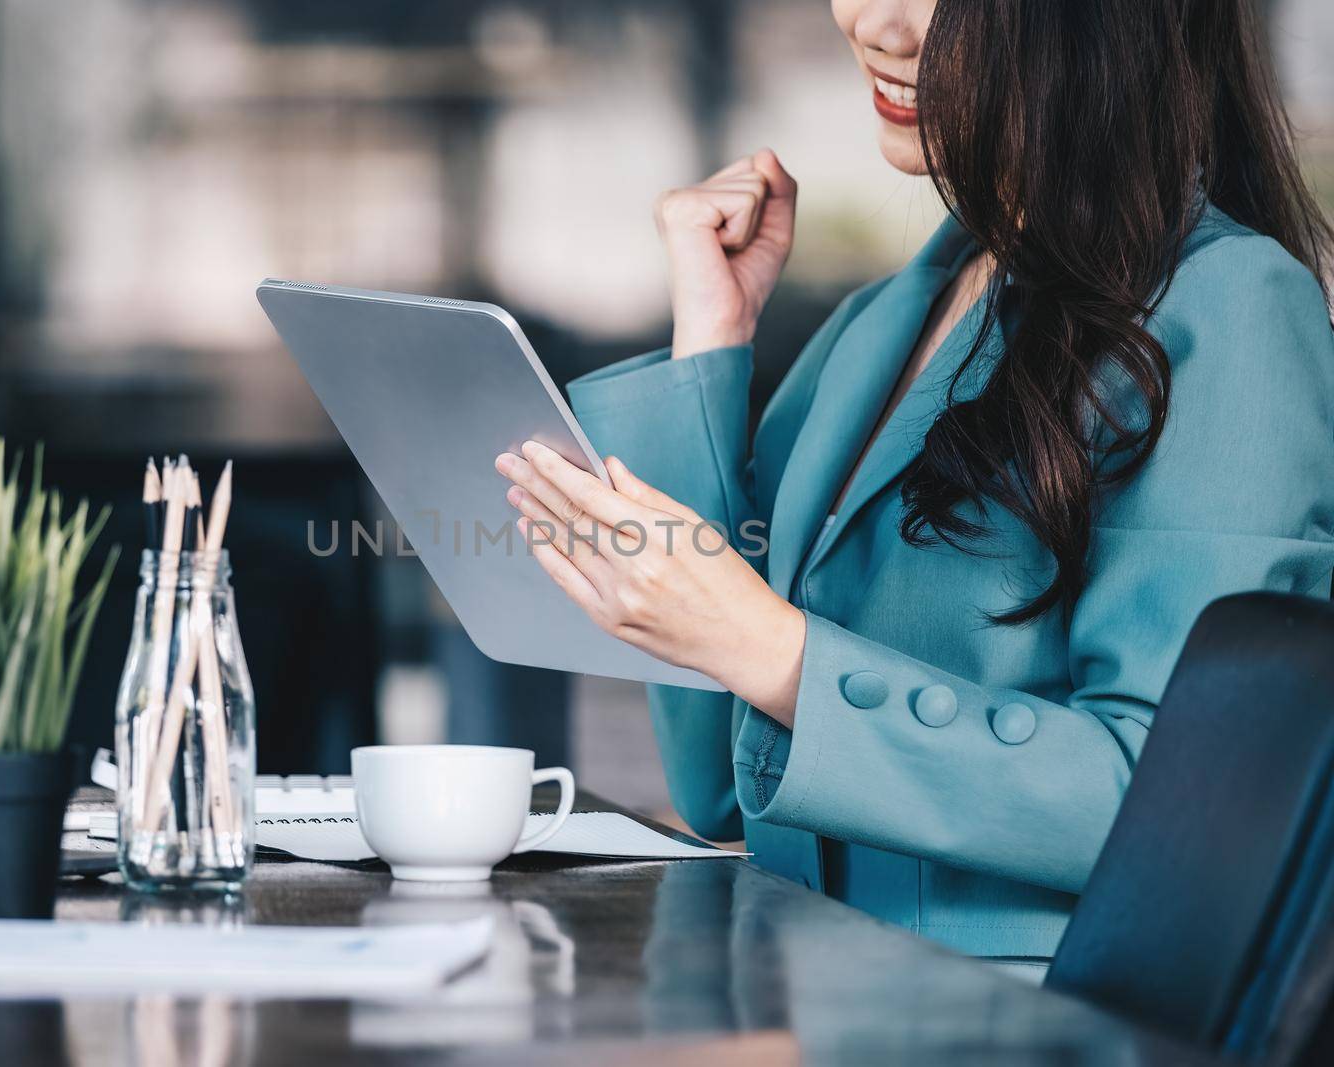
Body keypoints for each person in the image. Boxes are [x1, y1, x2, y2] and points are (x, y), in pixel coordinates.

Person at [494, 0, 1334, 969]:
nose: (867, 21)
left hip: (1031, 1024)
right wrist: (709, 344)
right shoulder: (884, 325)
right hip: (800, 995)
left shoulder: (1231, 308)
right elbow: (718, 783)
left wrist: (776, 652)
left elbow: (1186, 808)